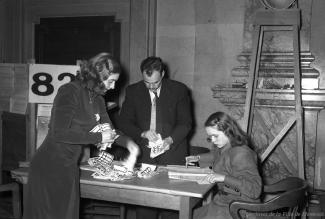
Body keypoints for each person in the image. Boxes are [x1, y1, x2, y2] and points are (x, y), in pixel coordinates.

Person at [23, 52, 139, 219]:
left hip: (69, 167)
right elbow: (59, 132)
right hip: (49, 168)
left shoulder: (98, 98)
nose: (113, 87)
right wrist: (99, 138)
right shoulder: (70, 91)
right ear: (98, 76)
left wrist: (128, 143)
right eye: (111, 81)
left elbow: (109, 131)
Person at [118, 56, 192, 219]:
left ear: (163, 74)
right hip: (145, 156)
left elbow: (186, 123)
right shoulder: (133, 91)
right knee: (145, 209)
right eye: (147, 82)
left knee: (171, 209)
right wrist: (142, 133)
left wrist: (169, 140)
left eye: (155, 83)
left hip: (173, 154)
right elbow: (124, 122)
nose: (151, 87)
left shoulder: (179, 90)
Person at [186, 111, 262, 219]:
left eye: (215, 136)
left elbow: (255, 190)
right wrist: (196, 158)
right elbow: (215, 155)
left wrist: (223, 178)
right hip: (224, 201)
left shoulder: (241, 154)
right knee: (188, 215)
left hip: (240, 208)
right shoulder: (225, 146)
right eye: (210, 137)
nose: (212, 140)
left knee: (189, 215)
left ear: (228, 131)